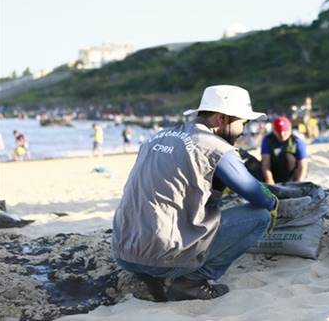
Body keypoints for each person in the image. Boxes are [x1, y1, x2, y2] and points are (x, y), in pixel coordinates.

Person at [112, 85, 279, 302]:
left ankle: (151, 275)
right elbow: (256, 193)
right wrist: (273, 201)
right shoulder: (216, 147)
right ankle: (191, 283)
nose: (243, 131)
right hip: (162, 257)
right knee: (260, 216)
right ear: (221, 118)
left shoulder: (157, 137)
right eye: (242, 123)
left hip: (124, 253)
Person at [261, 116, 308, 184]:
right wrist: (270, 181)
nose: (282, 135)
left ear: (290, 129)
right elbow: (265, 163)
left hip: (293, 177)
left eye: (285, 132)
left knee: (288, 155)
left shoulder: (297, 141)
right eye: (279, 132)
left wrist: (299, 183)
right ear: (274, 131)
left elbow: (303, 165)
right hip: (275, 174)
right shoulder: (268, 140)